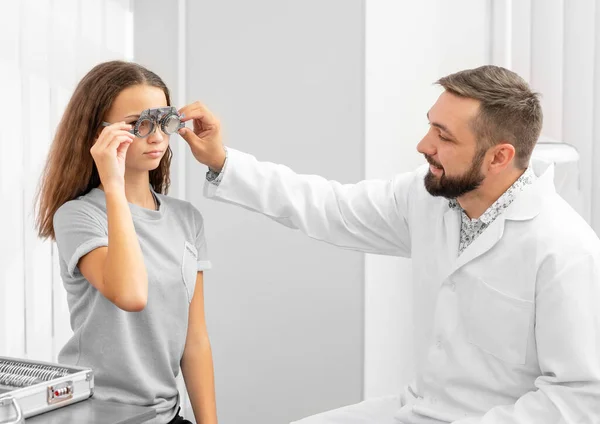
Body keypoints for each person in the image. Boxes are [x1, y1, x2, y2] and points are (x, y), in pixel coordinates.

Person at [177, 65, 600, 423]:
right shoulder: (428, 197)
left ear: (499, 157)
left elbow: (579, 399)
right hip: (419, 410)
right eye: (429, 125)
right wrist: (221, 160)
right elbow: (331, 207)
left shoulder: (564, 249)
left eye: (444, 136)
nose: (423, 146)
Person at [36, 61, 218, 424]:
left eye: (163, 120)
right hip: (95, 414)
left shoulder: (187, 219)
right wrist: (114, 184)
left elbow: (194, 339)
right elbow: (131, 294)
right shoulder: (77, 216)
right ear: (99, 134)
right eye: (138, 125)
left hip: (166, 416)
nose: (156, 137)